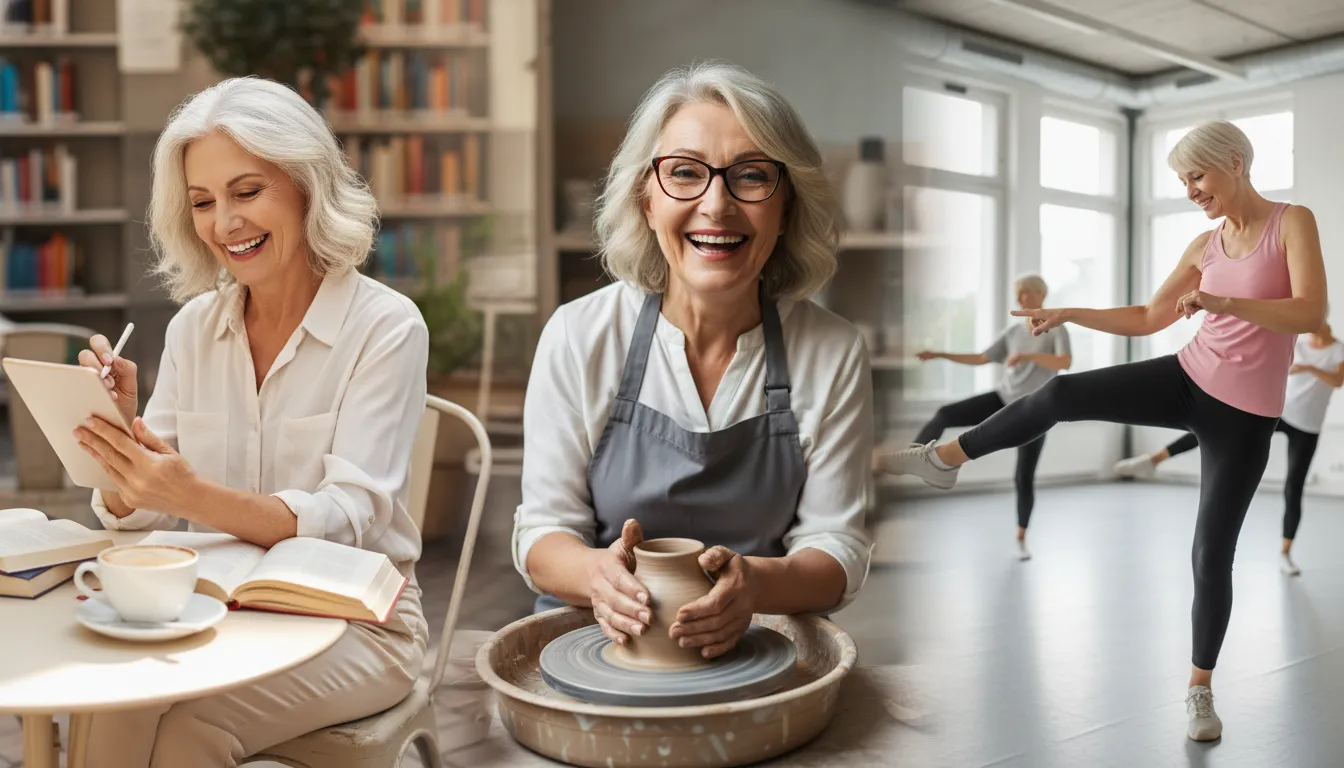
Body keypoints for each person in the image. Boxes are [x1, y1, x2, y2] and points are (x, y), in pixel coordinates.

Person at [875, 120, 1327, 742]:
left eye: (1197, 175)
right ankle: (945, 456)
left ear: (1236, 162)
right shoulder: (1205, 246)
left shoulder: (1290, 222)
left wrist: (1225, 305)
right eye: (1181, 180)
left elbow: (1310, 310)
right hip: (1187, 375)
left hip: (1247, 415)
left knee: (1209, 552)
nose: (1190, 189)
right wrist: (1069, 313)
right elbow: (1147, 317)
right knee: (1058, 391)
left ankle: (1199, 689)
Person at [71, 77, 430, 767]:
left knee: (187, 732)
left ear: (305, 186)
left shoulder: (385, 327)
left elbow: (347, 515)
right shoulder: (192, 330)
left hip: (357, 623)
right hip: (218, 612)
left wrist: (186, 494)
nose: (224, 222)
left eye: (247, 191)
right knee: (107, 706)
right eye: (203, 202)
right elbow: (131, 513)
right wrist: (118, 439)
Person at [513, 61, 874, 660]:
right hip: (598, 646)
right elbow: (543, 533)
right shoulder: (580, 335)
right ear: (646, 199)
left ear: (786, 206)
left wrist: (756, 585)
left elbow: (837, 547)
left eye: (751, 177)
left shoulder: (831, 350)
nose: (717, 204)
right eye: (685, 173)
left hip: (758, 649)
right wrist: (598, 575)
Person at [1115, 322, 1344, 576]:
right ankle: (1153, 460)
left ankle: (1285, 553)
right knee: (1217, 428)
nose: (1311, 328)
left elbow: (1337, 380)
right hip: (1282, 411)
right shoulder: (1298, 346)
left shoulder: (1338, 351)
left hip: (1308, 426)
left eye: (1316, 322)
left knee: (1294, 486)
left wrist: (1310, 368)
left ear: (1323, 322)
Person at [910, 274, 1071, 561]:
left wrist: (1027, 357)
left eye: (1027, 294)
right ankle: (913, 456)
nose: (1021, 299)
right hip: (1003, 398)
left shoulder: (1056, 330)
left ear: (1041, 295)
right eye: (1018, 294)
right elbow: (982, 358)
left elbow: (1064, 362)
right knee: (945, 414)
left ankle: (1021, 538)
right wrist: (939, 354)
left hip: (1035, 409)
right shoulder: (1012, 333)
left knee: (1024, 477)